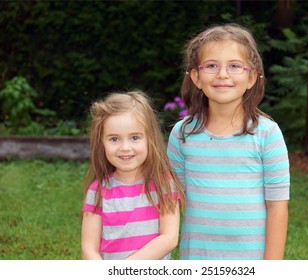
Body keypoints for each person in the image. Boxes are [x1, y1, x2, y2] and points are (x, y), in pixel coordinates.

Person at [167, 24, 290, 260]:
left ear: (251, 77)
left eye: (234, 66)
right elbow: (174, 201)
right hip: (197, 258)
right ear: (196, 77)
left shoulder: (267, 134)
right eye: (211, 66)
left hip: (251, 259)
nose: (223, 74)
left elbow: (277, 206)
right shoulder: (181, 134)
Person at [82, 91, 185, 260]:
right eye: (114, 139)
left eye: (135, 137)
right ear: (102, 143)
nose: (125, 147)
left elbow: (169, 238)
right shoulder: (97, 191)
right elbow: (88, 248)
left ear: (149, 139)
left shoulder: (164, 184)